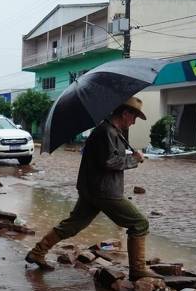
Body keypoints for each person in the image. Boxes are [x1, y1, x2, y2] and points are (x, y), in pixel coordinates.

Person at [25, 96, 161, 281]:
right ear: (125, 113)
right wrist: (134, 159)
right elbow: (109, 161)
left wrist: (131, 155)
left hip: (92, 190)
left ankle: (37, 252)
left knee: (73, 225)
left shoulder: (111, 131)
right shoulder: (107, 132)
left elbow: (108, 157)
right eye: (134, 117)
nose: (134, 122)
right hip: (105, 192)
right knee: (139, 223)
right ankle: (137, 270)